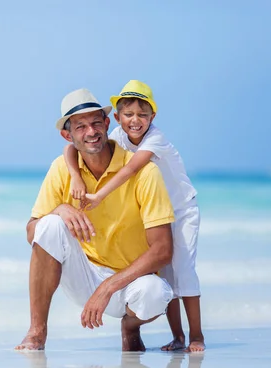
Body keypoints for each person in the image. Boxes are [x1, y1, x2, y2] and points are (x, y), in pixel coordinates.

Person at [15, 88, 175, 352]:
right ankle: (36, 333)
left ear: (107, 123)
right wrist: (60, 210)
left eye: (96, 123)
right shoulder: (61, 168)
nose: (91, 132)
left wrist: (108, 287)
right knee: (51, 223)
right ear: (67, 135)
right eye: (80, 127)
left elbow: (163, 250)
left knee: (157, 295)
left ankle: (131, 326)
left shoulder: (144, 172)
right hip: (84, 274)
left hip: (129, 282)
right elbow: (33, 232)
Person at [62, 80, 205, 352]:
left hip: (181, 210)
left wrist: (99, 195)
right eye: (128, 115)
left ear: (153, 117)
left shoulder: (155, 139)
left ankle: (196, 336)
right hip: (156, 210)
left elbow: (130, 169)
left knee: (183, 270)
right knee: (166, 275)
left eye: (143, 115)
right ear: (116, 118)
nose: (135, 121)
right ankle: (178, 338)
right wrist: (75, 176)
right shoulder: (116, 135)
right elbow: (71, 148)